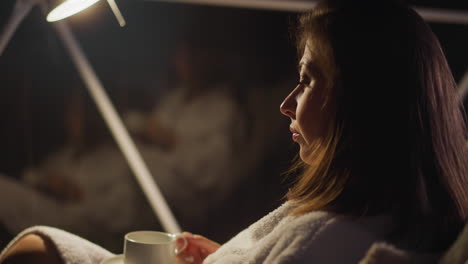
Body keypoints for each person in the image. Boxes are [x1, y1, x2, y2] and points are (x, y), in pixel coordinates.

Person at [1, 0, 468, 263]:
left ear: (362, 104)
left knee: (34, 250)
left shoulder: (336, 238)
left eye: (306, 81)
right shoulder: (365, 218)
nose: (286, 104)